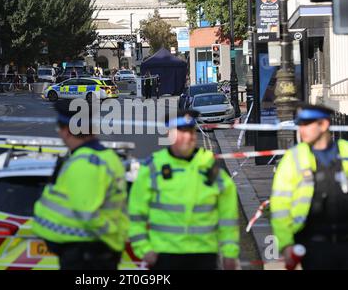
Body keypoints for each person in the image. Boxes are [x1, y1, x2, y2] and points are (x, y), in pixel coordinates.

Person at [128, 110, 240, 270]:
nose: (188, 137)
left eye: (191, 132)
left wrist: (230, 253)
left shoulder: (211, 168)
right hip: (164, 255)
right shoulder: (153, 168)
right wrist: (143, 249)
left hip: (204, 255)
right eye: (182, 132)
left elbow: (228, 217)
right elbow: (136, 214)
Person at [32, 100, 129, 270]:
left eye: (60, 129)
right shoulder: (107, 157)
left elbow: (88, 213)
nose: (60, 135)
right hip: (93, 253)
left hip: (87, 256)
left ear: (68, 131)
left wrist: (109, 236)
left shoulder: (85, 163)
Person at [271, 103, 348, 270]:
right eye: (300, 125)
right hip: (312, 245)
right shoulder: (294, 157)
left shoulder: (346, 151)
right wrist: (285, 244)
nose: (301, 130)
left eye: (307, 124)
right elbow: (280, 205)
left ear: (324, 124)